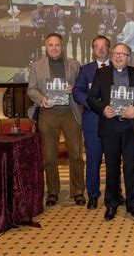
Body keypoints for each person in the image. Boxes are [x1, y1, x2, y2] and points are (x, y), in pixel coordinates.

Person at [87, 42, 134, 221]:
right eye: (116, 53)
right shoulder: (102, 73)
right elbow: (91, 97)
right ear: (111, 54)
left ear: (128, 57)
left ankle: (132, 204)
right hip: (110, 127)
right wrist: (102, 109)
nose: (118, 56)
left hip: (131, 127)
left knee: (131, 167)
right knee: (112, 167)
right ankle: (111, 204)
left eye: (123, 54)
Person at [27, 33, 86, 207]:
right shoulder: (37, 67)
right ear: (46, 47)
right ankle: (53, 192)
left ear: (63, 46)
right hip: (48, 113)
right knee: (49, 156)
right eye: (51, 45)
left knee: (76, 154)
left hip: (71, 113)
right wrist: (40, 98)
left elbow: (81, 87)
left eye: (57, 45)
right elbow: (31, 89)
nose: (54, 48)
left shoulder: (74, 65)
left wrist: (74, 88)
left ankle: (78, 191)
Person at [73, 35, 111, 210]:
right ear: (93, 50)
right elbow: (77, 92)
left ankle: (114, 193)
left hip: (113, 123)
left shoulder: (118, 68)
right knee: (93, 161)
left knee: (113, 161)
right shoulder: (85, 70)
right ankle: (93, 195)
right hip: (92, 122)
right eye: (97, 47)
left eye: (104, 46)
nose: (101, 49)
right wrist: (93, 105)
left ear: (109, 49)